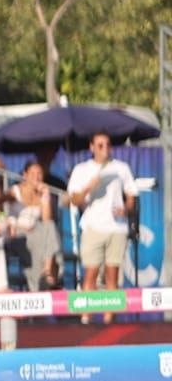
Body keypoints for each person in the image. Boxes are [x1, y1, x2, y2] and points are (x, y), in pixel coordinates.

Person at [69, 131, 138, 316]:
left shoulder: (121, 168)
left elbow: (131, 195)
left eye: (107, 144)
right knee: (90, 275)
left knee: (112, 277)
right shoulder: (81, 169)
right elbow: (74, 200)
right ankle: (86, 320)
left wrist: (126, 208)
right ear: (92, 147)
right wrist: (89, 187)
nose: (105, 149)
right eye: (100, 145)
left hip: (116, 227)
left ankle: (109, 324)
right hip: (93, 227)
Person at [8, 160, 62, 290]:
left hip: (36, 232)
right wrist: (15, 224)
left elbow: (46, 219)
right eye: (33, 174)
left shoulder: (42, 192)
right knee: (41, 240)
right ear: (25, 175)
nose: (36, 177)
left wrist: (46, 196)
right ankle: (48, 275)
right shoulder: (15, 191)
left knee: (48, 229)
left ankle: (46, 273)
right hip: (17, 232)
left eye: (39, 174)